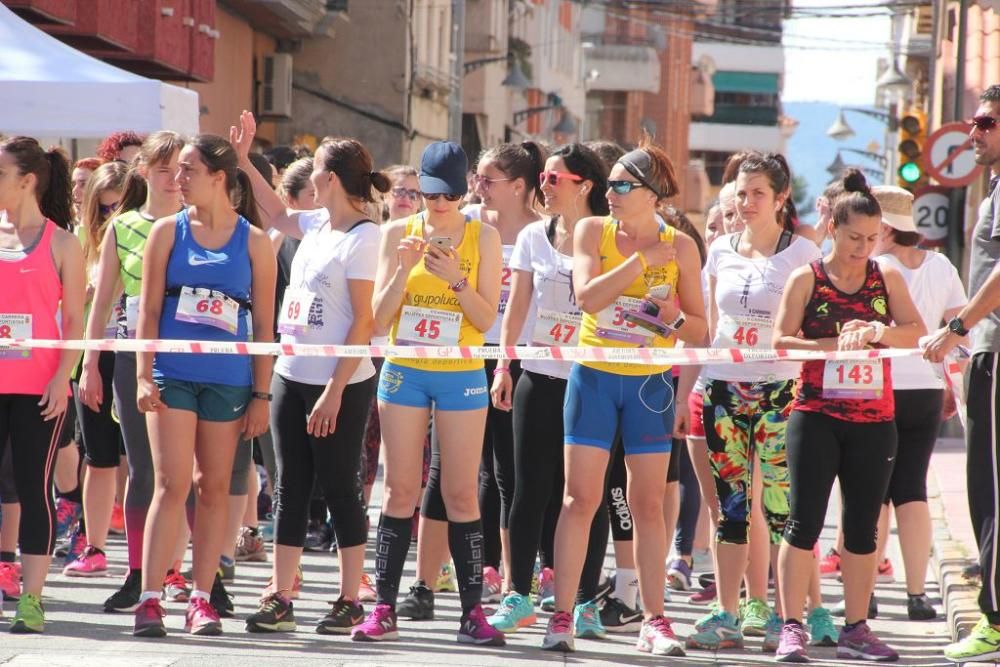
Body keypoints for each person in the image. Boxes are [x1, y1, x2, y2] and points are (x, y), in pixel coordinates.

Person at [543, 138, 706, 656]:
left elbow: (700, 331)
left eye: (620, 185)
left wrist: (670, 318)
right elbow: (588, 297)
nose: (608, 192)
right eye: (609, 184)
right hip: (593, 376)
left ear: (652, 194)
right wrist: (641, 264)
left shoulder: (681, 246)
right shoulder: (592, 230)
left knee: (649, 505)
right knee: (579, 499)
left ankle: (655, 620)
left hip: (649, 384)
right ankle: (563, 615)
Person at [235, 129, 387, 634]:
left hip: (339, 380)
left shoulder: (365, 236)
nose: (308, 173)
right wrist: (243, 162)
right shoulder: (319, 222)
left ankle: (349, 598)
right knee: (289, 488)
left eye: (315, 166)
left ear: (333, 178)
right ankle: (280, 594)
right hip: (290, 371)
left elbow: (362, 321)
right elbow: (277, 213)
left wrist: (335, 390)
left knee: (342, 488)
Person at [772, 169, 924, 663]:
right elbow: (781, 341)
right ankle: (792, 626)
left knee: (863, 528)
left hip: (874, 421)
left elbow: (916, 332)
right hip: (815, 415)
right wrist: (836, 344)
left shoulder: (887, 276)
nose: (863, 247)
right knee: (804, 522)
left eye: (871, 238)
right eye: (854, 237)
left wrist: (876, 331)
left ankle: (856, 627)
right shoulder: (807, 278)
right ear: (834, 229)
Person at [358, 140, 504, 646]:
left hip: (460, 369)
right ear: (418, 188)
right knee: (400, 489)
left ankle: (471, 614)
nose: (439, 206)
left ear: (463, 193)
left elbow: (486, 322)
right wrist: (402, 269)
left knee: (460, 492)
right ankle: (382, 607)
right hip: (405, 369)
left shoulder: (483, 237)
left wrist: (458, 281)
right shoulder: (397, 232)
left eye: (449, 196)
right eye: (431, 195)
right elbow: (379, 318)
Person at [131, 134, 275, 637]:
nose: (177, 179)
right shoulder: (167, 233)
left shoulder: (255, 241)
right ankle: (150, 598)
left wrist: (262, 394)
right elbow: (148, 309)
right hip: (172, 373)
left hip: (229, 381)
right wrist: (143, 373)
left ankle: (201, 597)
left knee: (213, 488)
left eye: (189, 170)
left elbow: (264, 327)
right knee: (170, 484)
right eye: (175, 171)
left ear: (219, 177)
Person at [685, 153, 822, 652]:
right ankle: (727, 612)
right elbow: (709, 324)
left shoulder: (802, 254)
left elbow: (813, 325)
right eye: (740, 193)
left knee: (783, 508)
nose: (745, 203)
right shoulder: (720, 248)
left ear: (781, 197)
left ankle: (790, 620)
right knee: (732, 508)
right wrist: (692, 386)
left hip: (781, 391)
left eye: (757, 193)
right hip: (723, 386)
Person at [487, 143, 612, 635]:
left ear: (585, 185)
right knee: (527, 488)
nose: (545, 184)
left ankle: (585, 601)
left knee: (586, 497)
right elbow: (516, 308)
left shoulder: (609, 236)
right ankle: (519, 594)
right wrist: (504, 366)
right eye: (543, 175)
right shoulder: (533, 239)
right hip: (538, 376)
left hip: (594, 378)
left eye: (555, 178)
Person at [78, 131, 187, 612]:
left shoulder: (199, 224)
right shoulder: (122, 228)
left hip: (191, 360)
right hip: (130, 359)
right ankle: (139, 573)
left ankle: (188, 575)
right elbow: (101, 304)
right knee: (143, 473)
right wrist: (89, 368)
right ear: (143, 172)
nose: (174, 179)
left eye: (181, 169)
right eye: (163, 169)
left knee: (187, 474)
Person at [924, 84, 1000, 664]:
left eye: (984, 122)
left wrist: (957, 327)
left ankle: (994, 619)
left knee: (991, 492)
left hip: (995, 352)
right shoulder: (993, 188)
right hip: (987, 350)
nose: (973, 132)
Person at [0, 137, 85, 633]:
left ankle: (32, 599)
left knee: (34, 490)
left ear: (27, 180)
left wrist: (62, 378)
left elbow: (75, 320)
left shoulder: (61, 242)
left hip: (39, 389)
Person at [872, 185, 967, 622]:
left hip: (879, 385)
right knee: (912, 489)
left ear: (885, 228)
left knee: (870, 489)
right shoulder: (941, 264)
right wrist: (951, 381)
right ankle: (916, 595)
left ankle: (865, 588)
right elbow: (959, 326)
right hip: (927, 388)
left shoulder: (876, 267)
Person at [63, 160, 129, 578]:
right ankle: (94, 545)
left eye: (117, 206)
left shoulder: (145, 233)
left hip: (138, 353)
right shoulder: (79, 242)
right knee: (99, 456)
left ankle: (157, 563)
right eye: (102, 209)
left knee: (143, 463)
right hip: (94, 357)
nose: (111, 216)